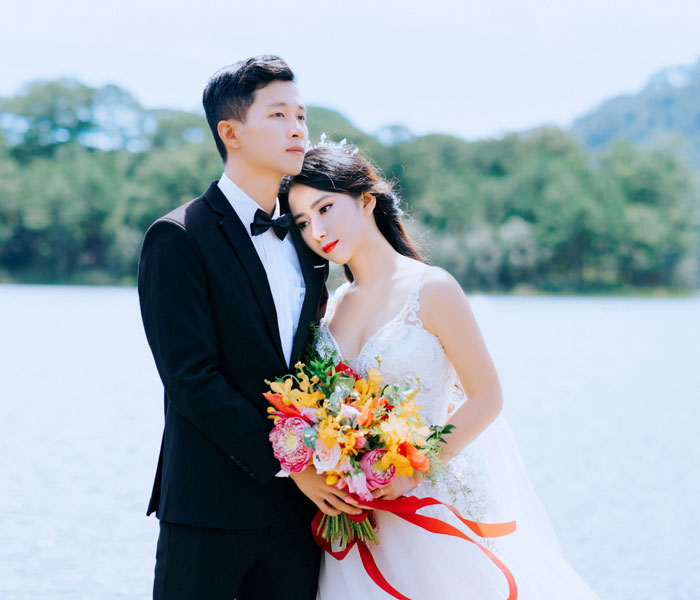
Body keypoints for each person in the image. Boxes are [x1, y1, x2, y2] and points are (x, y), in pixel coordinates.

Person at [283, 140, 601, 599]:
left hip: (430, 506)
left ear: (366, 200)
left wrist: (414, 470)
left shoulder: (431, 288)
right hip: (355, 524)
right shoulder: (329, 309)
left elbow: (487, 398)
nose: (317, 230)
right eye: (302, 222)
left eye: (325, 208)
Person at [137, 56, 361, 600]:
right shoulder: (177, 237)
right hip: (208, 508)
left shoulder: (308, 240)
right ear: (231, 133)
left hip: (299, 517)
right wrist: (291, 464)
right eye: (279, 115)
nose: (297, 129)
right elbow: (191, 379)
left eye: (301, 116)